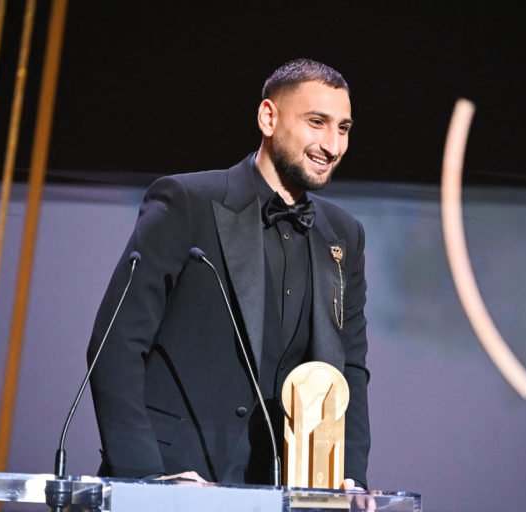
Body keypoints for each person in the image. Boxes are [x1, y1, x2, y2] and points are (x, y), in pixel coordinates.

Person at [87, 57, 370, 491]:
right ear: (268, 117)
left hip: (284, 488)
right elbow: (117, 344)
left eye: (343, 128)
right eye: (317, 122)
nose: (332, 145)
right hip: (177, 479)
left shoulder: (344, 235)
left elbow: (348, 368)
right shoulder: (186, 202)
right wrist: (146, 477)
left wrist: (348, 475)